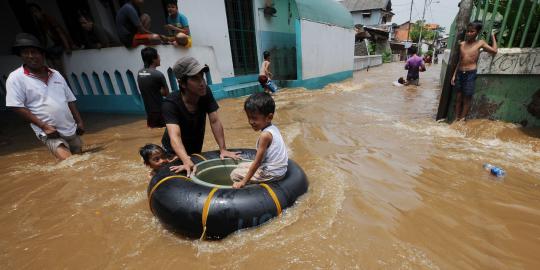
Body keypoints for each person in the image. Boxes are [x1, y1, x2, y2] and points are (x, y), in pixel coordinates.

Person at [5, 33, 85, 161]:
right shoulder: (15, 78)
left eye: (34, 52)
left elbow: (70, 100)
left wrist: (79, 121)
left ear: (42, 55)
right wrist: (44, 126)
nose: (31, 56)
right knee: (72, 164)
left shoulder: (56, 74)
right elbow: (16, 106)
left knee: (81, 162)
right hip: (49, 132)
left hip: (70, 128)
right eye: (26, 52)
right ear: (21, 55)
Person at [161, 57, 240, 176]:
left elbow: (215, 121)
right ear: (182, 83)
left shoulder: (205, 93)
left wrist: (223, 149)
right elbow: (175, 136)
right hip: (172, 152)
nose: (202, 83)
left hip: (194, 146)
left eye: (202, 76)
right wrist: (185, 159)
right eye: (195, 79)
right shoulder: (170, 104)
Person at [230, 92, 288, 189]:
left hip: (272, 173)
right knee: (241, 165)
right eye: (249, 117)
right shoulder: (273, 128)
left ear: (269, 117)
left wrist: (243, 182)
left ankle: (253, 191)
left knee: (234, 174)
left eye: (254, 118)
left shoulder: (265, 136)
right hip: (278, 169)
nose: (251, 122)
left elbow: (257, 162)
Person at [451, 21, 498, 121]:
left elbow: (494, 51)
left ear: (477, 32)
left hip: (470, 74)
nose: (469, 33)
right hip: (459, 73)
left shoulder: (480, 43)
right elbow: (460, 60)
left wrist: (493, 36)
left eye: (472, 31)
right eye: (468, 31)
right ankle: (456, 118)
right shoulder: (462, 44)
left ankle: (462, 120)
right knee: (458, 98)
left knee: (467, 98)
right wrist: (454, 75)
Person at [28, 3, 76, 76]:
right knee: (47, 58)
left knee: (55, 58)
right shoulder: (40, 23)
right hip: (52, 47)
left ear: (41, 11)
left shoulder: (49, 19)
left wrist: (67, 47)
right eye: (32, 13)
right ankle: (55, 75)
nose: (35, 14)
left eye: (35, 11)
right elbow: (44, 38)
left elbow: (60, 33)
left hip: (59, 44)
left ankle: (61, 76)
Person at [137, 47, 169, 128]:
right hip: (160, 112)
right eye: (158, 56)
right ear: (153, 59)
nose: (160, 59)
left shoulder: (140, 73)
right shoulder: (158, 75)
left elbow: (148, 89)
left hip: (149, 113)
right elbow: (166, 94)